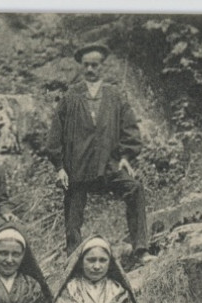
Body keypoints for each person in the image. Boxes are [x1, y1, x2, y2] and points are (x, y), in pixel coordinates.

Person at [46, 43, 154, 264]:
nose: (90, 69)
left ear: (102, 67)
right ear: (81, 66)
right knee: (73, 207)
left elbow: (130, 128)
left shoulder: (115, 95)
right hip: (79, 167)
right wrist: (60, 167)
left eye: (94, 65)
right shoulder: (71, 96)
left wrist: (125, 157)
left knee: (134, 189)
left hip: (109, 165)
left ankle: (141, 249)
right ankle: (73, 257)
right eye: (86, 65)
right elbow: (55, 133)